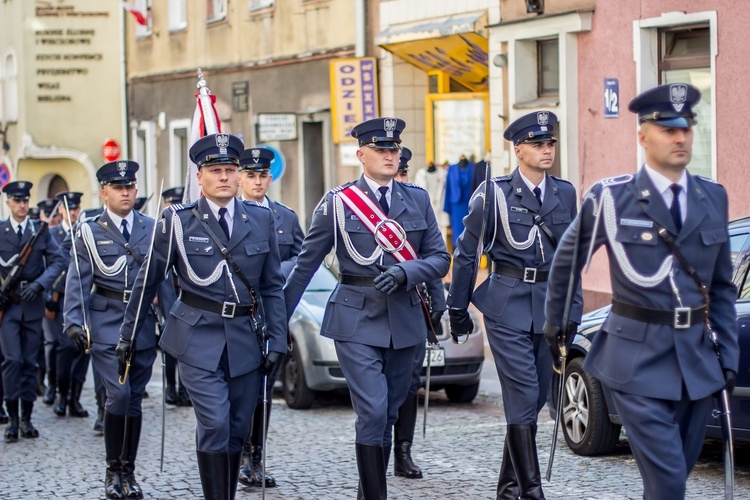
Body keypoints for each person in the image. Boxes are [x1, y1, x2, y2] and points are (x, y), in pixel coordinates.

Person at [545, 83, 739, 499]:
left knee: (672, 477)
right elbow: (568, 260)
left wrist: (728, 354)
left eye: (686, 127)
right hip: (635, 360)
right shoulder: (612, 198)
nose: (680, 137)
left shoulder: (713, 197)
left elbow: (722, 287)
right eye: (668, 129)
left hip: (696, 361)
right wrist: (560, 324)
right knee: (670, 482)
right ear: (643, 136)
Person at [284, 117, 450, 499]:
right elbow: (305, 264)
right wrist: (278, 324)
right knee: (373, 411)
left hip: (404, 318)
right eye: (381, 149)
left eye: (394, 149)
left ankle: (367, 491)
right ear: (361, 154)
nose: (390, 155)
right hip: (356, 318)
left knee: (389, 413)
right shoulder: (339, 203)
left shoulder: (418, 199)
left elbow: (439, 258)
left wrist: (408, 271)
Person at [118, 133, 287, 500]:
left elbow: (273, 285)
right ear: (200, 177)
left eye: (230, 169)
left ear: (239, 175)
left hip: (244, 338)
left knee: (238, 428)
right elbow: (149, 282)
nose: (224, 177)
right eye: (215, 170)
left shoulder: (260, 219)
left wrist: (279, 339)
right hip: (197, 337)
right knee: (215, 422)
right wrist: (128, 336)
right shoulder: (177, 221)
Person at [448, 111, 581, 500]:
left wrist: (572, 313)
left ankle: (508, 488)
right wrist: (458, 310)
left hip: (549, 307)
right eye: (538, 144)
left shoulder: (566, 193)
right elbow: (467, 254)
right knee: (524, 395)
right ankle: (532, 491)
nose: (547, 149)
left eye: (551, 143)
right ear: (518, 149)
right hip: (506, 304)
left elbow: (572, 258)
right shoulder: (493, 193)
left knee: (537, 397)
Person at [63, 160, 169, 499]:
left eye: (130, 187)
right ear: (104, 192)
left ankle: (129, 471)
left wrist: (171, 323)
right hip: (107, 321)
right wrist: (73, 321)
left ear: (136, 191)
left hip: (142, 323)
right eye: (118, 188)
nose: (126, 192)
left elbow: (163, 281)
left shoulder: (153, 228)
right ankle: (112, 470)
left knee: (134, 400)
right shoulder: (90, 231)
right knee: (118, 396)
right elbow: (77, 279)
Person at [236, 146, 303, 489]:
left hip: (272, 312)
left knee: (264, 390)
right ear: (240, 178)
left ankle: (256, 458)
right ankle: (237, 453)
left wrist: (275, 272)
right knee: (242, 390)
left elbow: (303, 260)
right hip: (240, 313)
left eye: (263, 175)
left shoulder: (285, 217)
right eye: (251, 175)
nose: (258, 181)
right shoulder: (231, 215)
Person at [391, 147, 446, 480]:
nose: (401, 178)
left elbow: (431, 260)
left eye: (403, 173)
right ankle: (380, 448)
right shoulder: (368, 209)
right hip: (380, 310)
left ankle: (404, 452)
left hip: (413, 306)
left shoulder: (417, 203)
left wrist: (438, 302)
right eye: (397, 173)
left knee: (410, 384)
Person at [0, 181, 65, 442]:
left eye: (25, 200)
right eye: (17, 200)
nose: (22, 205)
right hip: (8, 307)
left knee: (29, 362)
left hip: (32, 303)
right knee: (12, 360)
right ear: (8, 202)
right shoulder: (0, 230)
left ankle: (26, 419)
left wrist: (40, 285)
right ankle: (12, 418)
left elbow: (60, 259)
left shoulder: (40, 231)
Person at [46, 191, 91, 418]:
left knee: (84, 349)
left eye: (76, 208)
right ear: (61, 210)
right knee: (64, 348)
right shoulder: (52, 234)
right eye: (69, 208)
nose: (73, 212)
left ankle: (75, 397)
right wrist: (52, 296)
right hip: (63, 298)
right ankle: (62, 394)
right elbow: (54, 265)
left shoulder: (86, 230)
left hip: (86, 298)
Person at [158, 186, 192, 407]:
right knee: (170, 347)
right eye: (170, 204)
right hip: (167, 298)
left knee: (188, 348)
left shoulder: (189, 230)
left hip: (187, 298)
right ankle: (170, 386)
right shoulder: (160, 233)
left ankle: (185, 389)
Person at [37, 197, 60, 399]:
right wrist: (45, 296)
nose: (52, 219)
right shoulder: (39, 235)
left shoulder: (61, 235)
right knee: (49, 344)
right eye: (47, 214)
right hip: (44, 297)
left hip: (61, 297)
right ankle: (46, 383)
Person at [443, 154, 475, 248]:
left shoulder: (473, 168)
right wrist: (446, 207)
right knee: (457, 236)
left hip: (470, 206)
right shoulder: (452, 169)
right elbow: (448, 188)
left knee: (470, 235)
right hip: (456, 207)